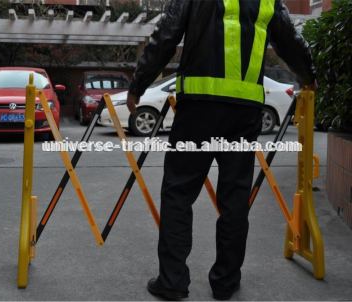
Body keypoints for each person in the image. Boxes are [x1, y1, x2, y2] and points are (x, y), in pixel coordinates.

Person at [127, 0, 316, 300]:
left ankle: (173, 281)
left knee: (178, 193)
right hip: (244, 114)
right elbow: (289, 40)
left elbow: (166, 34)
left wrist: (138, 84)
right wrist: (309, 76)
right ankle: (226, 282)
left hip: (198, 110)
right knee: (235, 199)